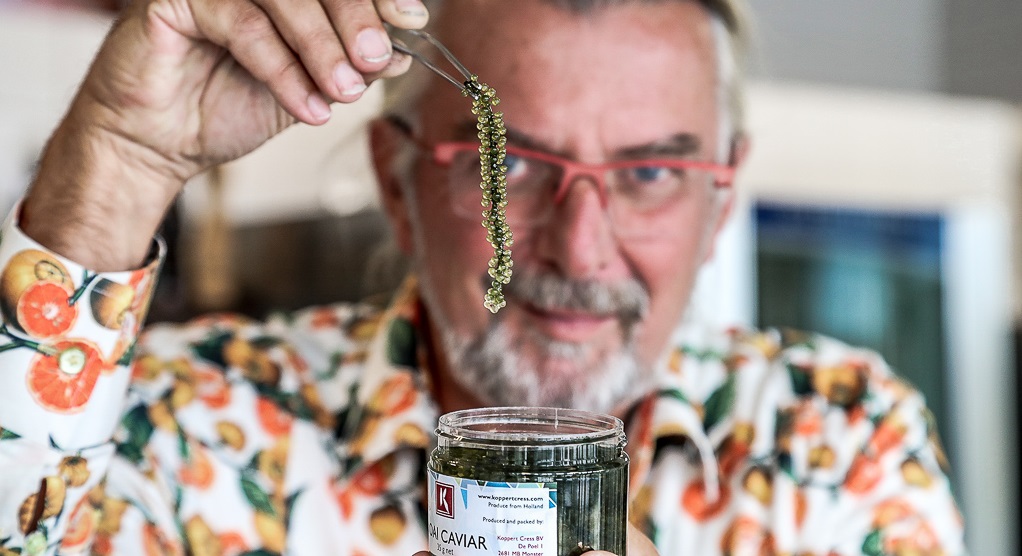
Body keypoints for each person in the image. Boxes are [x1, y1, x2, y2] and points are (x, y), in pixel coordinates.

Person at [0, 0, 965, 554]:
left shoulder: (837, 437)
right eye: (511, 166)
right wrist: (119, 161)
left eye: (654, 173)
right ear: (393, 177)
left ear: (723, 201)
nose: (578, 251)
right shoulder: (185, 418)